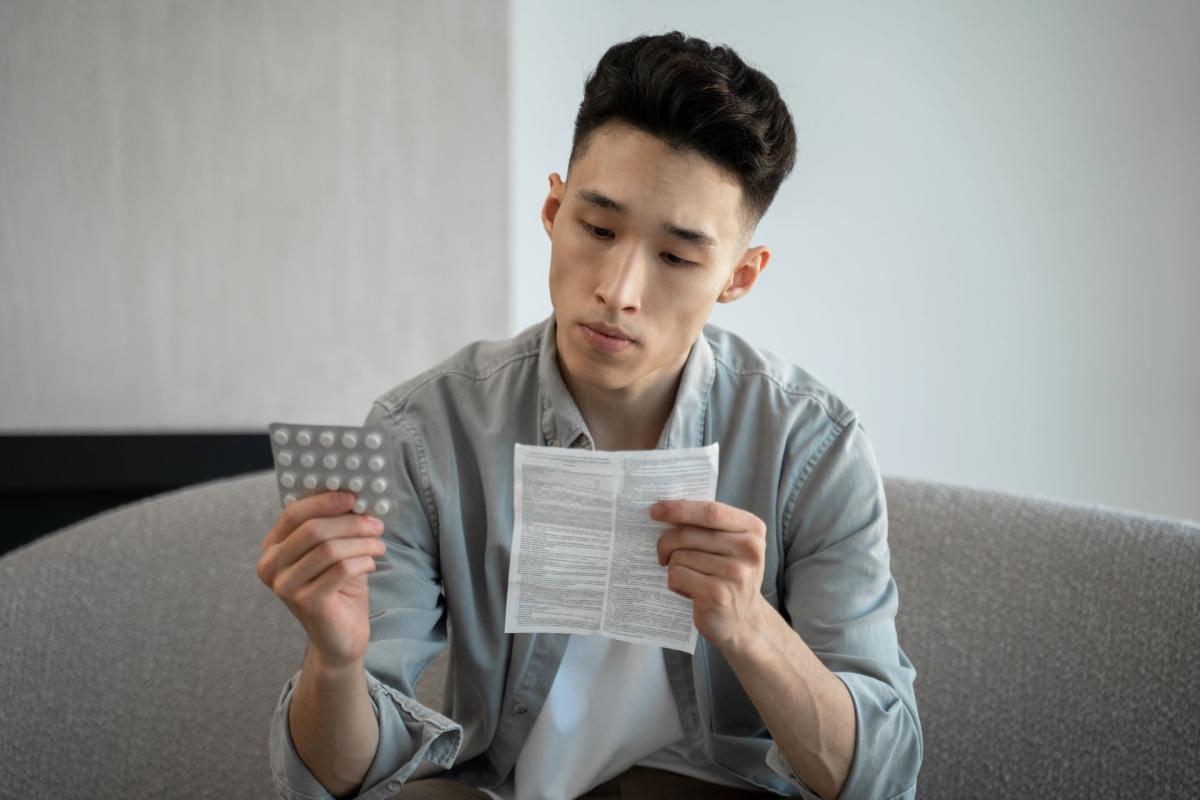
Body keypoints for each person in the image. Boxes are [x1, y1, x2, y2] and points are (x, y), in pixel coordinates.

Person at [258, 30, 922, 800]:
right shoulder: (424, 432)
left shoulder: (814, 448)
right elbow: (342, 781)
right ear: (553, 208)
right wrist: (334, 662)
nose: (619, 288)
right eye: (598, 229)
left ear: (740, 276)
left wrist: (750, 627)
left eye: (677, 257)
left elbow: (884, 779)